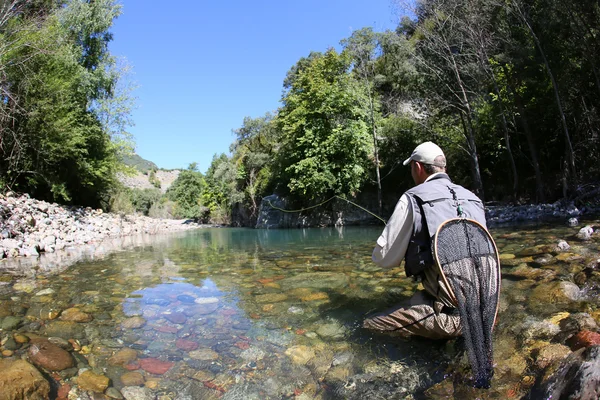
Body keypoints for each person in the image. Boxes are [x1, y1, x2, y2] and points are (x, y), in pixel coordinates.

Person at [363, 141, 487, 339]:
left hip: (455, 318)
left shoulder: (413, 197)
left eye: (411, 167)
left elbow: (383, 258)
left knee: (370, 325)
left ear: (417, 167)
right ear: (442, 167)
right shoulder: (472, 198)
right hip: (487, 310)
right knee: (421, 298)